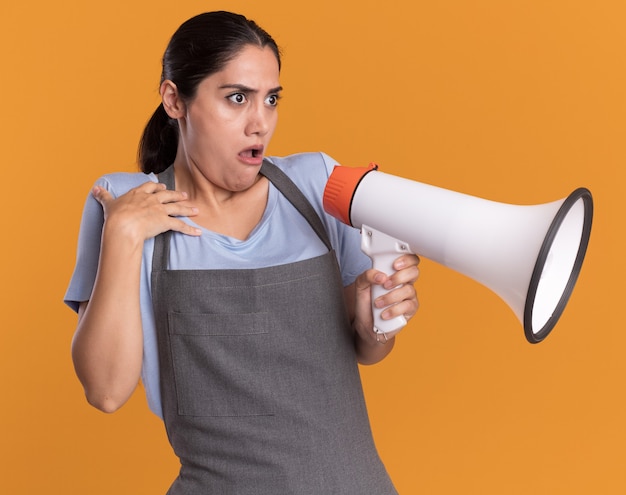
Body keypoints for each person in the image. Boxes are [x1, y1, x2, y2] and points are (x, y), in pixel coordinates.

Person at [65, 11, 420, 494]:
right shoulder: (125, 204)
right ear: (175, 101)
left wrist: (377, 321)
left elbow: (367, 351)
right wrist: (124, 236)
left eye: (271, 99)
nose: (260, 123)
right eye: (237, 98)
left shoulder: (317, 186)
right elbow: (105, 391)